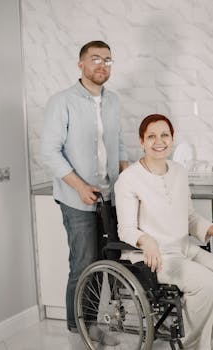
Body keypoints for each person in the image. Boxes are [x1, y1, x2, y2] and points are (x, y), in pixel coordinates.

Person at [114, 114, 213, 350]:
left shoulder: (179, 171)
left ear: (172, 140)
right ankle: (191, 346)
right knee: (207, 284)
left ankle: (212, 344)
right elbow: (126, 229)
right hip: (153, 257)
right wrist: (146, 241)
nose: (158, 141)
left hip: (183, 249)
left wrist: (210, 228)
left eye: (164, 135)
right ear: (141, 141)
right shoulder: (128, 179)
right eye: (151, 136)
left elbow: (189, 216)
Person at [40, 40, 128, 343]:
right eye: (95, 59)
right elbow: (49, 152)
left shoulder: (114, 101)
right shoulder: (61, 101)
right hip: (76, 199)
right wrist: (79, 186)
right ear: (81, 64)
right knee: (84, 264)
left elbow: (119, 145)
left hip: (111, 198)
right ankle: (79, 328)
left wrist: (130, 180)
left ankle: (103, 323)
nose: (102, 65)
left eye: (107, 60)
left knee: (112, 263)